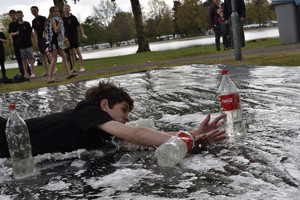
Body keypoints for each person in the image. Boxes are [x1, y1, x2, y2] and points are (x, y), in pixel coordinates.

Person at [0, 81, 226, 158]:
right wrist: (190, 137)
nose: (126, 118)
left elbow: (143, 141)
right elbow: (136, 134)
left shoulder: (104, 134)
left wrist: (193, 135)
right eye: (124, 110)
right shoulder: (87, 111)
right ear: (104, 105)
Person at [45, 6, 78, 83]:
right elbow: (56, 30)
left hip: (57, 41)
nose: (56, 13)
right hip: (53, 42)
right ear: (51, 13)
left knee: (64, 56)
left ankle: (68, 74)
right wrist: (59, 23)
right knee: (54, 60)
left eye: (57, 11)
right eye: (54, 12)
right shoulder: (53, 20)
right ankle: (50, 78)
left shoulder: (57, 19)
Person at [31, 6, 57, 77]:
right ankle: (46, 71)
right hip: (39, 39)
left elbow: (47, 27)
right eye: (32, 11)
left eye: (35, 10)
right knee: (42, 55)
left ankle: (54, 67)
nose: (34, 12)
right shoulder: (33, 21)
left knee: (47, 52)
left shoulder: (43, 18)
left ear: (37, 10)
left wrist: (46, 36)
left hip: (44, 37)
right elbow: (35, 31)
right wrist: (35, 40)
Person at [63, 4, 88, 73]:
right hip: (67, 38)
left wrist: (83, 34)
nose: (66, 10)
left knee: (78, 52)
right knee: (71, 53)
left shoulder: (73, 17)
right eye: (65, 8)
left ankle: (82, 67)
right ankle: (74, 68)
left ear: (69, 9)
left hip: (74, 37)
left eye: (67, 8)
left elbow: (79, 26)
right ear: (63, 10)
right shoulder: (62, 19)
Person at [8, 10, 29, 77]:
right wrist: (12, 41)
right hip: (16, 43)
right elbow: (10, 34)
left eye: (13, 15)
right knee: (19, 58)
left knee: (24, 57)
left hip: (22, 42)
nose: (12, 17)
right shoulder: (11, 24)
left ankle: (28, 71)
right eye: (11, 15)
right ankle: (22, 72)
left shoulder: (19, 22)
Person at [15, 10, 35, 78]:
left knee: (31, 58)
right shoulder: (16, 25)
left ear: (23, 15)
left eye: (20, 15)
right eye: (18, 15)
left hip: (28, 43)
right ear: (16, 16)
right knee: (23, 59)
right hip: (20, 44)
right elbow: (11, 33)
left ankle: (32, 72)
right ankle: (25, 73)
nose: (19, 16)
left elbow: (31, 32)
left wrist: (35, 40)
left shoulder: (27, 23)